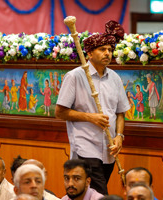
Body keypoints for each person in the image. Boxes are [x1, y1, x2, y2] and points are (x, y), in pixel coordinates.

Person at [55, 20, 130, 195]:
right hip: (86, 147)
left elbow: (120, 113)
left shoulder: (115, 78)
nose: (107, 53)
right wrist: (91, 117)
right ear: (89, 53)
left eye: (110, 50)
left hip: (109, 149)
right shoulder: (75, 76)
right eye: (102, 49)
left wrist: (119, 137)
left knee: (90, 195)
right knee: (100, 194)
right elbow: (60, 112)